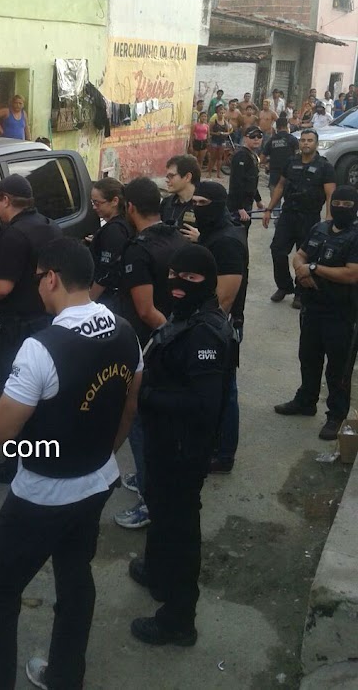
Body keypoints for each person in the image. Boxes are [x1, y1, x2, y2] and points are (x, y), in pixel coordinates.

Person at [0, 238, 142, 690]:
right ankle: (66, 676)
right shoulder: (125, 330)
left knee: (0, 590)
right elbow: (128, 406)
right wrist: (100, 452)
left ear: (51, 278)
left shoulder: (41, 347)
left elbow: (0, 431)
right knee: (75, 576)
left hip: (43, 494)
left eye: (38, 279)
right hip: (98, 481)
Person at [129, 243, 232, 647]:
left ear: (206, 282)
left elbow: (203, 405)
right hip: (164, 442)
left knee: (180, 529)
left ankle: (177, 620)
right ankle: (156, 571)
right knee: (160, 509)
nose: (177, 283)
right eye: (174, 275)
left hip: (182, 448)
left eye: (189, 278)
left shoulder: (205, 331)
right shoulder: (186, 315)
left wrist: (145, 399)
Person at [0, 174, 61, 483]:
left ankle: (12, 466)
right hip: (46, 320)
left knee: (13, 395)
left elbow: (2, 288)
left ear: (4, 199)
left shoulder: (13, 235)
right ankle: (41, 455)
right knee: (42, 394)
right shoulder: (47, 225)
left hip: (19, 329)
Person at [115, 178, 185, 530]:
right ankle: (146, 479)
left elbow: (144, 310)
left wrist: (168, 337)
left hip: (149, 349)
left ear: (129, 208)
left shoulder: (138, 249)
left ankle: (149, 497)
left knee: (140, 421)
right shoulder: (176, 237)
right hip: (170, 341)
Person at [274, 187, 358, 440]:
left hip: (342, 313)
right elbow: (298, 255)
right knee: (308, 356)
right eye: (338, 202)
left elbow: (352, 273)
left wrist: (312, 268)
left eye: (347, 203)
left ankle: (336, 415)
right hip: (313, 307)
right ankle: (306, 401)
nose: (341, 207)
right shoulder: (319, 228)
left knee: (338, 367)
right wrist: (302, 270)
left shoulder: (355, 236)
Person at [188, 183, 247, 474]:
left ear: (218, 204)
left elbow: (225, 297)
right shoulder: (213, 233)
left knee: (225, 391)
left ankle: (224, 455)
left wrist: (199, 330)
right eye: (194, 201)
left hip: (221, 327)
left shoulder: (228, 241)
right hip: (209, 324)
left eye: (203, 202)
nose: (197, 207)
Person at [264, 129, 336, 309]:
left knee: (305, 256)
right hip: (288, 214)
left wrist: (329, 221)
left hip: (309, 217)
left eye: (310, 140)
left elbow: (330, 195)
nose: (306, 143)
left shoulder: (324, 167)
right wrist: (269, 208)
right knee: (278, 250)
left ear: (316, 144)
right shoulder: (291, 162)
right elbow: (280, 186)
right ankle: (284, 286)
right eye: (303, 140)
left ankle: (300, 292)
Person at [88, 178, 132, 311]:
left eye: (98, 203)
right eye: (92, 202)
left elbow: (106, 272)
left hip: (107, 300)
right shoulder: (124, 224)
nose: (94, 207)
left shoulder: (114, 230)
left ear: (114, 201)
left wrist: (89, 301)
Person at [227, 125, 265, 228]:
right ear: (245, 138)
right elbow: (236, 182)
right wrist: (239, 208)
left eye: (259, 136)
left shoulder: (253, 155)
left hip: (247, 203)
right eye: (253, 136)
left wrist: (258, 200)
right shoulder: (241, 155)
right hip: (238, 205)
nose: (256, 139)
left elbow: (252, 181)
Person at [261, 115, 299, 213]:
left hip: (274, 174)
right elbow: (298, 156)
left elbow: (262, 158)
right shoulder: (293, 139)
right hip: (290, 174)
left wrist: (269, 161)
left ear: (276, 128)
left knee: (275, 201)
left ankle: (276, 219)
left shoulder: (271, 140)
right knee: (290, 200)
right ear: (287, 126)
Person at [160, 154, 201, 231]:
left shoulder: (205, 203)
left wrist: (202, 238)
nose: (167, 180)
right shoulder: (166, 203)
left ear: (187, 177)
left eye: (171, 176)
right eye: (167, 176)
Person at [207, 104, 231, 179]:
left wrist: (224, 133)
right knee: (212, 157)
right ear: (217, 113)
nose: (221, 114)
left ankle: (218, 173)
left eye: (223, 113)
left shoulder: (225, 122)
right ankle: (209, 173)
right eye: (220, 113)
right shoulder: (214, 121)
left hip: (222, 141)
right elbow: (209, 132)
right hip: (214, 140)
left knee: (220, 157)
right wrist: (215, 133)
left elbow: (228, 132)